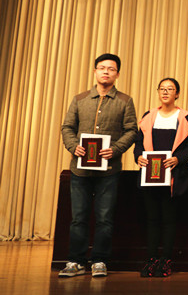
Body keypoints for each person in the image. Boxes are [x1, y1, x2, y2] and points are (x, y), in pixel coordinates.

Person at [59, 53, 137, 278]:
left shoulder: (125, 101)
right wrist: (73, 146)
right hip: (80, 169)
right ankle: (75, 261)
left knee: (104, 218)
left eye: (111, 69)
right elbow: (67, 127)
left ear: (117, 74)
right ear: (95, 71)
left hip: (109, 171)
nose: (106, 72)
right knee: (78, 218)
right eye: (102, 68)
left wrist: (116, 149)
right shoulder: (80, 99)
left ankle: (100, 261)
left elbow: (132, 130)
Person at [133, 78, 188, 277]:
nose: (165, 92)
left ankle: (166, 260)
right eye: (162, 88)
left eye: (170, 89)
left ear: (177, 94)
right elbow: (138, 143)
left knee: (169, 219)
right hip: (150, 175)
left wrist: (178, 159)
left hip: (174, 177)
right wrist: (138, 157)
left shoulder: (185, 117)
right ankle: (151, 260)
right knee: (152, 218)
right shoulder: (148, 116)